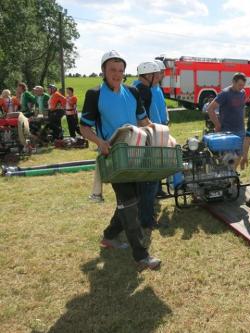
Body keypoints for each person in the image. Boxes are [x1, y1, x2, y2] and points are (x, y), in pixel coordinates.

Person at [80, 50, 161, 271]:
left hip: (135, 154)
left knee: (130, 199)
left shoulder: (133, 92)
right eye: (112, 70)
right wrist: (100, 142)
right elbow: (84, 127)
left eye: (120, 70)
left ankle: (109, 236)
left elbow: (143, 120)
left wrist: (159, 133)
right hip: (113, 157)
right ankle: (141, 255)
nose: (117, 74)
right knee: (130, 204)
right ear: (104, 71)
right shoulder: (94, 94)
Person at [133, 61, 162, 235]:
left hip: (138, 137)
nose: (157, 78)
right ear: (149, 76)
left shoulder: (134, 87)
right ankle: (147, 220)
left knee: (142, 180)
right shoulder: (143, 90)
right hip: (146, 137)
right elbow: (142, 117)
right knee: (150, 180)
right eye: (154, 75)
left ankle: (141, 216)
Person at [206, 72, 247, 167]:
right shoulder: (225, 93)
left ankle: (232, 176)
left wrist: (243, 123)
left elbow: (243, 107)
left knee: (239, 154)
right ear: (233, 82)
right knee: (229, 157)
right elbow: (210, 109)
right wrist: (217, 125)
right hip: (228, 131)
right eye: (239, 85)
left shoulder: (242, 93)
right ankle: (227, 177)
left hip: (240, 129)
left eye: (243, 85)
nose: (241, 87)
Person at [152, 59, 171, 199]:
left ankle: (158, 187)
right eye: (162, 72)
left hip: (161, 127)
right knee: (155, 160)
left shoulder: (157, 87)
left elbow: (161, 106)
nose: (163, 75)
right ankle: (155, 189)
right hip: (153, 129)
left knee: (160, 159)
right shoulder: (148, 88)